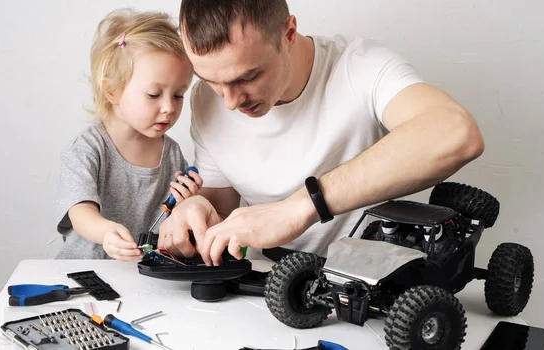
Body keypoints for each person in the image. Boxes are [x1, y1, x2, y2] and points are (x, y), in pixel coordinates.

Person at [158, 0, 484, 266]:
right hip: (270, 285)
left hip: (370, 282)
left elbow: (456, 133)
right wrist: (197, 211)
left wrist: (301, 207)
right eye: (212, 80)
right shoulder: (204, 100)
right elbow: (223, 213)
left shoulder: (359, 67)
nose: (229, 102)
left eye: (248, 76)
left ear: (288, 33)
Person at [54, 8, 203, 261]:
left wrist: (189, 201)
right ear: (112, 90)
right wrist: (105, 232)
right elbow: (79, 211)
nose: (169, 107)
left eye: (178, 95)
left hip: (141, 278)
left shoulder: (173, 153)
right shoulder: (88, 148)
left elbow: (173, 227)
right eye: (154, 95)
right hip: (87, 275)